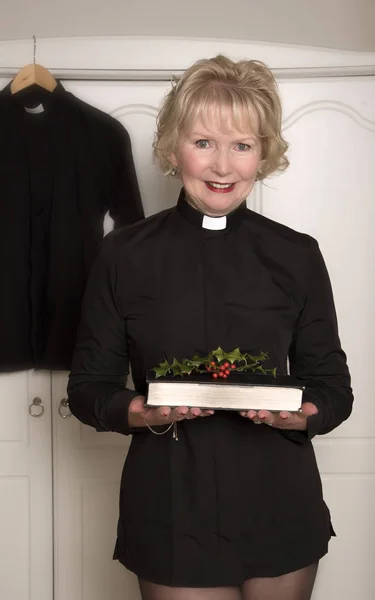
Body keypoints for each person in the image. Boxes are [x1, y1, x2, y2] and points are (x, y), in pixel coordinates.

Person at [68, 55, 353, 600]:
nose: (223, 166)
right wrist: (139, 411)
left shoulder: (297, 256)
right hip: (171, 504)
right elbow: (87, 390)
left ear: (263, 153)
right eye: (204, 142)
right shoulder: (121, 256)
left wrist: (302, 416)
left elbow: (332, 386)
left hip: (279, 500)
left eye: (242, 145)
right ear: (173, 149)